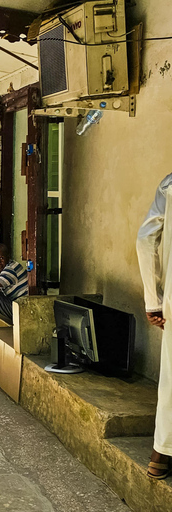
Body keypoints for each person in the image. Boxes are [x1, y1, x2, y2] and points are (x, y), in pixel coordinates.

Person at [137, 173, 172, 479]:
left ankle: (160, 454)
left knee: (171, 378)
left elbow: (145, 238)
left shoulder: (169, 185)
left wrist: (154, 299)